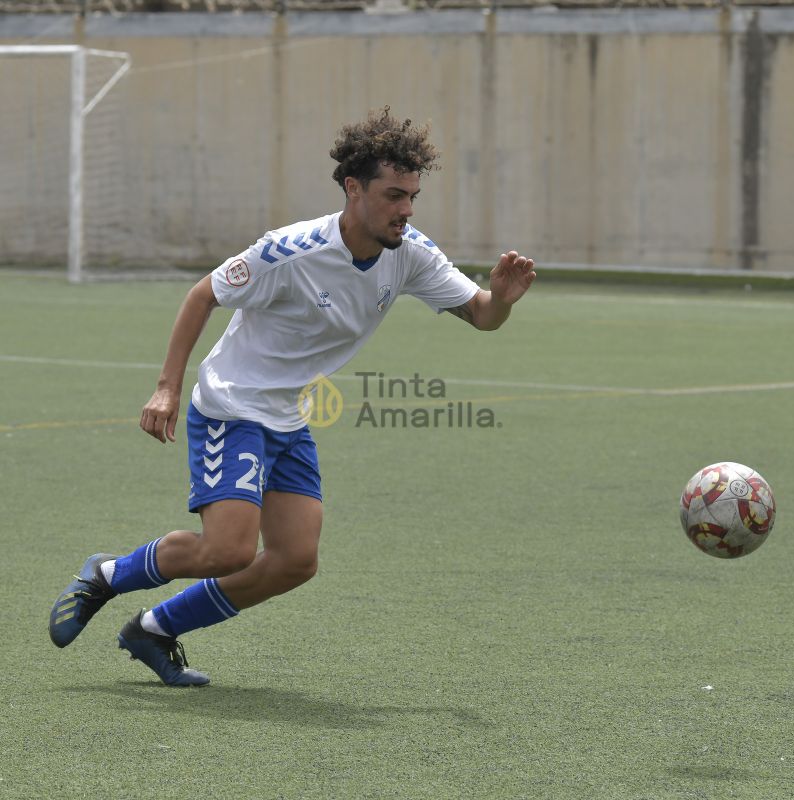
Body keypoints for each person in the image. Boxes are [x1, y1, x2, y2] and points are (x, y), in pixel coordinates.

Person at [48, 107, 536, 686]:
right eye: (394, 195)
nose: (406, 209)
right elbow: (201, 295)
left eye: (413, 195)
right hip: (232, 405)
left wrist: (500, 299)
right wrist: (166, 388)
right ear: (353, 189)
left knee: (294, 561)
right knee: (228, 550)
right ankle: (107, 573)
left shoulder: (410, 251)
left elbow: (482, 316)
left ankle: (153, 629)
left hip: (285, 416)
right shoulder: (289, 251)